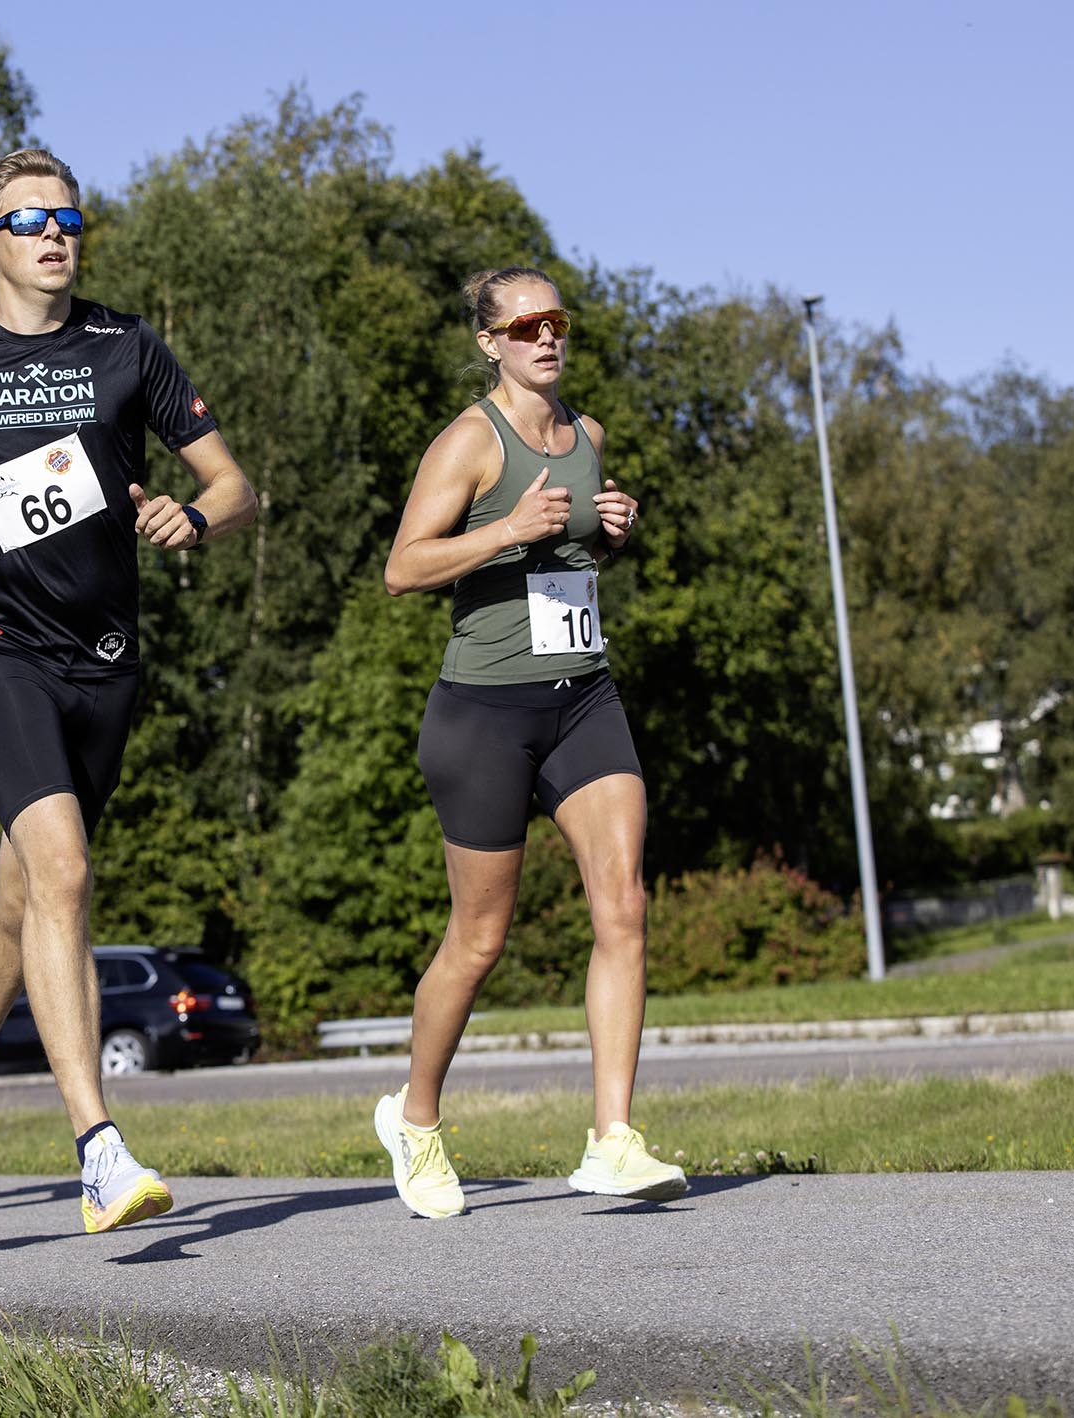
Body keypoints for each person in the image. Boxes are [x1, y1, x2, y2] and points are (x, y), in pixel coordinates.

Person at [0, 147, 257, 1234]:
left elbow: (232, 481)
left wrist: (193, 515)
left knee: (27, 895)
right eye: (27, 220)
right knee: (65, 870)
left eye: (66, 216)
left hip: (101, 656)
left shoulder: (125, 347)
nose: (53, 233)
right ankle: (97, 1146)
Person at [374, 267, 686, 1218]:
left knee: (623, 904)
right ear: (489, 342)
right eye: (523, 327)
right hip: (484, 714)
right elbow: (402, 568)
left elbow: (579, 551)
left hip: (584, 699)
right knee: (479, 939)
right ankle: (416, 1120)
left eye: (555, 322)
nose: (545, 339)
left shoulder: (586, 435)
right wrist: (504, 527)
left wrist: (615, 529)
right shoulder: (472, 440)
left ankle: (613, 1140)